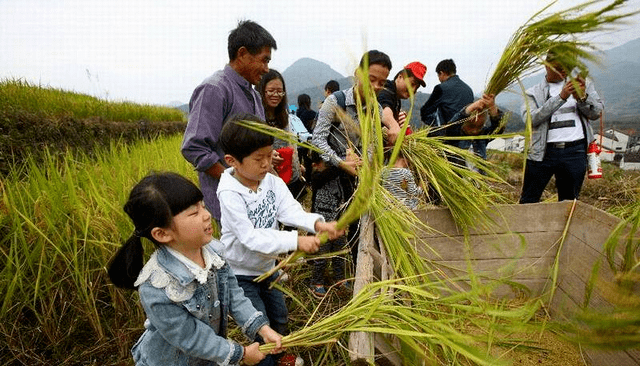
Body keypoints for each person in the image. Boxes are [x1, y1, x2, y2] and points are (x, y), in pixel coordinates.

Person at [107, 172, 283, 366]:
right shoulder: (157, 287)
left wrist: (261, 328)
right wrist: (240, 354)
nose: (207, 216)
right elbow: (192, 338)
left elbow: (234, 295)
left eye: (204, 206)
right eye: (194, 213)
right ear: (162, 233)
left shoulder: (214, 253)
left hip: (207, 357)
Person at [217, 114, 344, 364]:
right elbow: (249, 238)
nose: (267, 163)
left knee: (280, 317)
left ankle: (279, 355)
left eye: (269, 155)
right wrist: (296, 242)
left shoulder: (270, 182)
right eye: (259, 159)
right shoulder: (229, 193)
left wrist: (318, 223)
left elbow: (290, 209)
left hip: (268, 268)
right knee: (259, 325)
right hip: (241, 274)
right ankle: (267, 362)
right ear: (233, 161)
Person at [310, 50, 391, 298]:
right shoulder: (336, 102)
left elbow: (372, 145)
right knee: (326, 229)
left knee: (344, 231)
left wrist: (366, 169)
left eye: (381, 82)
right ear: (358, 74)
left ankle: (338, 278)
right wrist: (340, 162)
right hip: (328, 177)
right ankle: (315, 281)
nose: (376, 86)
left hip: (351, 182)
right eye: (371, 79)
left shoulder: (375, 109)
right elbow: (317, 140)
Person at [181, 20, 277, 229]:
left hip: (255, 200)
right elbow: (194, 147)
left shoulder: (253, 94)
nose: (266, 69)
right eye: (264, 60)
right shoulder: (215, 90)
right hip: (231, 205)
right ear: (242, 53)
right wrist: (235, 179)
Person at [519, 53, 603, 203]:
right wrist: (561, 97)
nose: (563, 72)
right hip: (542, 153)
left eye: (567, 68)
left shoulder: (583, 84)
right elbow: (530, 119)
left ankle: (564, 227)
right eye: (558, 68)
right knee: (529, 200)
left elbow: (596, 113)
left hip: (575, 151)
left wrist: (582, 98)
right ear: (546, 65)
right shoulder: (532, 92)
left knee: (569, 202)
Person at [257, 69, 307, 200]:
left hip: (291, 178)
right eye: (271, 90)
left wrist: (297, 165)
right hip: (268, 182)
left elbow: (291, 143)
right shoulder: (255, 117)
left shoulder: (283, 114)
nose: (276, 94)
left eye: (280, 91)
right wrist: (266, 156)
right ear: (261, 91)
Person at [377, 61, 427, 144]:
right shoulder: (385, 89)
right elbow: (384, 109)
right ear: (400, 77)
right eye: (412, 84)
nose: (413, 90)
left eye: (417, 87)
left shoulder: (396, 100)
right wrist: (393, 125)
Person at [420, 59, 474, 134]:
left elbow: (425, 112)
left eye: (438, 76)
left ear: (441, 73)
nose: (439, 79)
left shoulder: (441, 88)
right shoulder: (469, 90)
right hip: (465, 135)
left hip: (446, 136)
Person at [447, 94, 504, 162]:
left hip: (478, 172)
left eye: (479, 127)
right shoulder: (455, 136)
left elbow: (498, 129)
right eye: (471, 127)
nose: (475, 131)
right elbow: (451, 126)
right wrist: (469, 109)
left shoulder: (482, 137)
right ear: (464, 123)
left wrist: (493, 110)